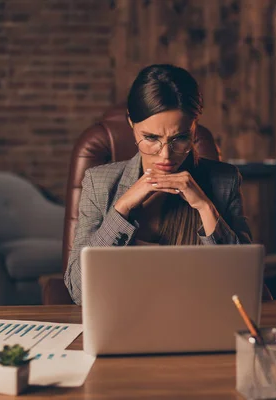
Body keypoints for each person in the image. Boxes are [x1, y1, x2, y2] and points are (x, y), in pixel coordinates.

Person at [64, 64, 252, 304]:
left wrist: (206, 208)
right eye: (151, 138)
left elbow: (242, 286)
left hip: (199, 319)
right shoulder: (99, 183)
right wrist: (121, 208)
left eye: (179, 139)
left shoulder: (225, 181)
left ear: (194, 129)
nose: (165, 156)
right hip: (123, 320)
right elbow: (79, 292)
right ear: (132, 125)